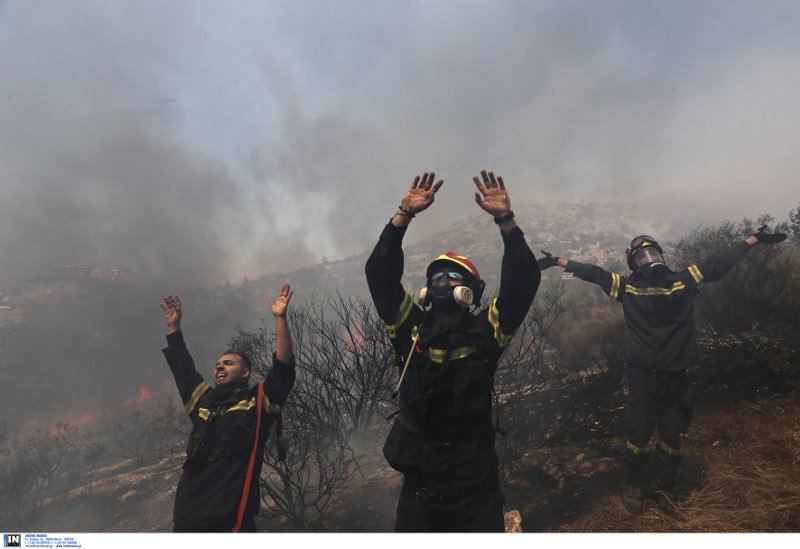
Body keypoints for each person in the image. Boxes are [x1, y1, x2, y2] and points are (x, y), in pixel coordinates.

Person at [538, 225, 787, 519]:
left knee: (651, 435)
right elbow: (719, 260)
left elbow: (593, 272)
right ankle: (649, 487)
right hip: (675, 376)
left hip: (649, 375)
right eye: (646, 254)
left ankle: (646, 488)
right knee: (664, 435)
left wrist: (558, 261)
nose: (648, 259)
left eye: (648, 254)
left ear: (633, 261)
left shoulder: (628, 287)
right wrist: (754, 239)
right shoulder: (684, 281)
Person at [365, 170, 540, 532]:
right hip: (421, 485)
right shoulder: (409, 327)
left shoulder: (487, 330)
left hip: (476, 486)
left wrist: (505, 220)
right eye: (436, 279)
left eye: (453, 278)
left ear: (469, 292)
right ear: (427, 292)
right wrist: (404, 214)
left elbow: (523, 281)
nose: (443, 283)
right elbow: (379, 274)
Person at [160, 283, 296, 532]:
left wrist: (280, 318)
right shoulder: (205, 401)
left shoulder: (258, 401)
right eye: (218, 364)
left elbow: (284, 369)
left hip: (230, 517)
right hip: (188, 517)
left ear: (245, 373)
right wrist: (174, 329)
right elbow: (184, 372)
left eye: (229, 363)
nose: (219, 367)